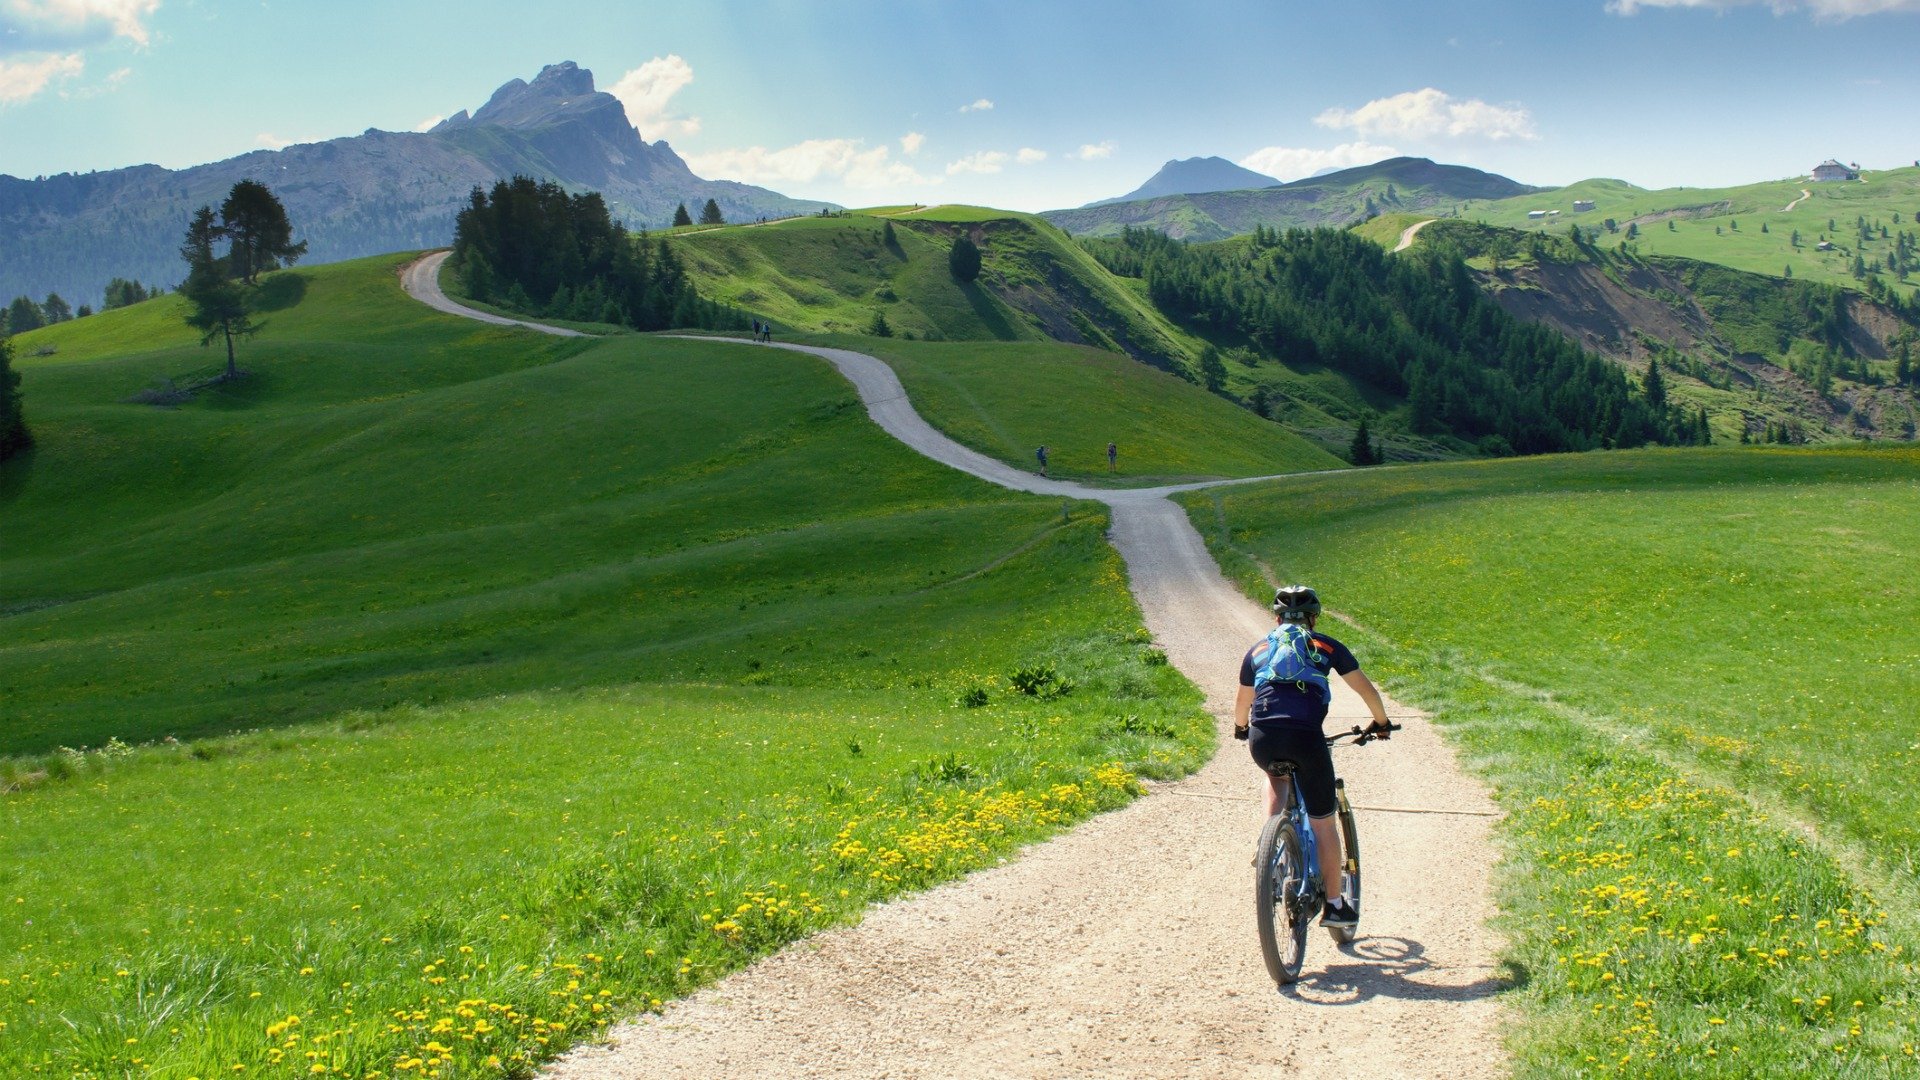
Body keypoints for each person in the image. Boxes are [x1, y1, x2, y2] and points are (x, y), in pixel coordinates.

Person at [1233, 584, 1392, 928]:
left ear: (1276, 619)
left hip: (1263, 738)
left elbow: (1242, 703)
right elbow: (1366, 689)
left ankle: (1269, 845)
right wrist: (1381, 722)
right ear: (1314, 619)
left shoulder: (1258, 649)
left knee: (1274, 774)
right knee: (1322, 823)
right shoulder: (1327, 645)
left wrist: (1241, 728)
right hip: (1306, 738)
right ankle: (1335, 905)